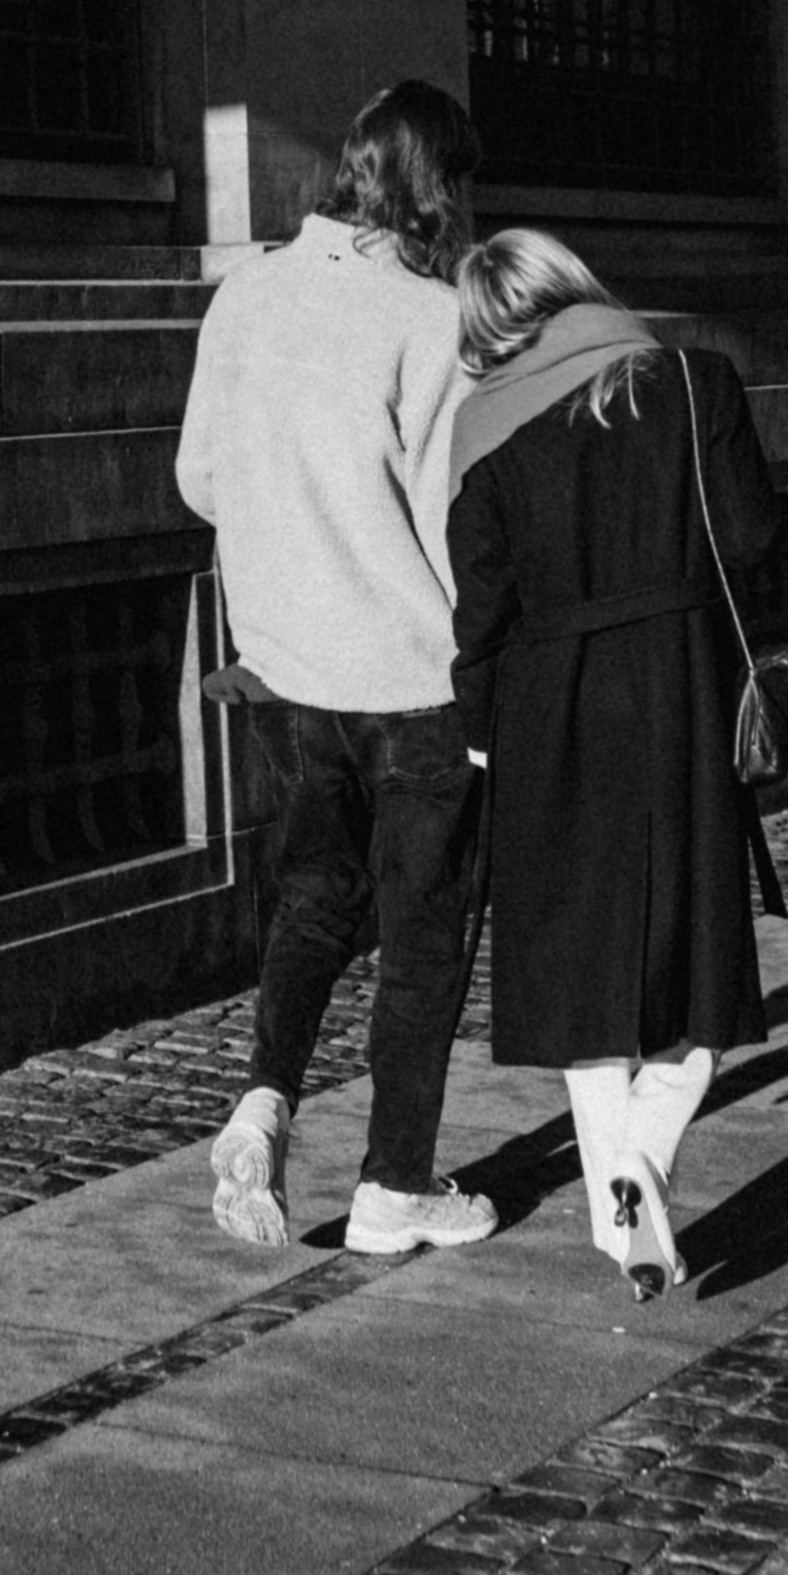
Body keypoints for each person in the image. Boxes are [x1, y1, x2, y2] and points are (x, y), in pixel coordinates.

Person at [175, 79, 497, 1259]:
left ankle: (261, 1103)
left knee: (314, 896)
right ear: (436, 186)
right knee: (424, 922)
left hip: (287, 661)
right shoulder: (428, 315)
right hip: (409, 674)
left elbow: (197, 477)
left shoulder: (246, 291)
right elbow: (448, 511)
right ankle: (394, 1184)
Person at [447, 229, 782, 1299]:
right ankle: (641, 1156)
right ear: (577, 285)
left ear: (490, 331)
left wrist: (477, 721)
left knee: (582, 971)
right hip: (679, 686)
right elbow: (753, 536)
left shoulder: (484, 427)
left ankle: (612, 1201)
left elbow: (482, 606)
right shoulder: (694, 379)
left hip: (547, 705)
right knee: (701, 960)